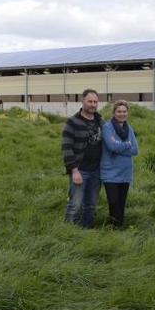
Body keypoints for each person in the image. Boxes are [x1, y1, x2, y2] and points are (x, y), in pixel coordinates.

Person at [62, 89, 103, 228]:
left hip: (96, 171)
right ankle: (68, 232)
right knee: (75, 204)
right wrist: (74, 171)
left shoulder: (100, 121)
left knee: (91, 205)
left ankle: (86, 232)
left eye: (95, 102)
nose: (93, 104)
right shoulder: (72, 122)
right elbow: (66, 148)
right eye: (90, 101)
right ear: (83, 101)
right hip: (80, 170)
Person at [100, 100, 139, 228]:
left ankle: (119, 229)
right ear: (114, 112)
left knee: (121, 204)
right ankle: (113, 228)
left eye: (124, 111)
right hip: (110, 173)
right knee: (113, 202)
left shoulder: (130, 129)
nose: (122, 114)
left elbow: (135, 150)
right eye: (119, 111)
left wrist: (120, 147)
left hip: (125, 173)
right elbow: (111, 147)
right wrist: (127, 145)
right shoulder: (107, 127)